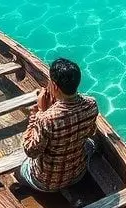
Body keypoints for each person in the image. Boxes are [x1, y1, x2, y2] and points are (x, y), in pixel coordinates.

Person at [19, 57, 98, 192]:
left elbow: (31, 151)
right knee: (90, 143)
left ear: (54, 86)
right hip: (78, 174)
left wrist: (37, 113)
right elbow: (90, 132)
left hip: (46, 182)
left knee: (22, 167)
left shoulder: (46, 119)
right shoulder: (91, 104)